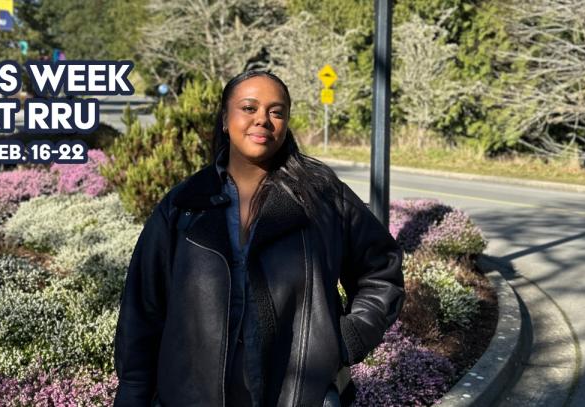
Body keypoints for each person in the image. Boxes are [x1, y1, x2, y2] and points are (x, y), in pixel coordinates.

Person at [114, 71, 405, 407]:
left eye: (276, 112)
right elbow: (143, 310)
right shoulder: (184, 205)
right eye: (249, 108)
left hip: (301, 395)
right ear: (225, 119)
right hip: (193, 395)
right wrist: (134, 393)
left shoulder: (322, 197)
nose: (262, 120)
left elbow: (381, 269)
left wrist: (347, 338)